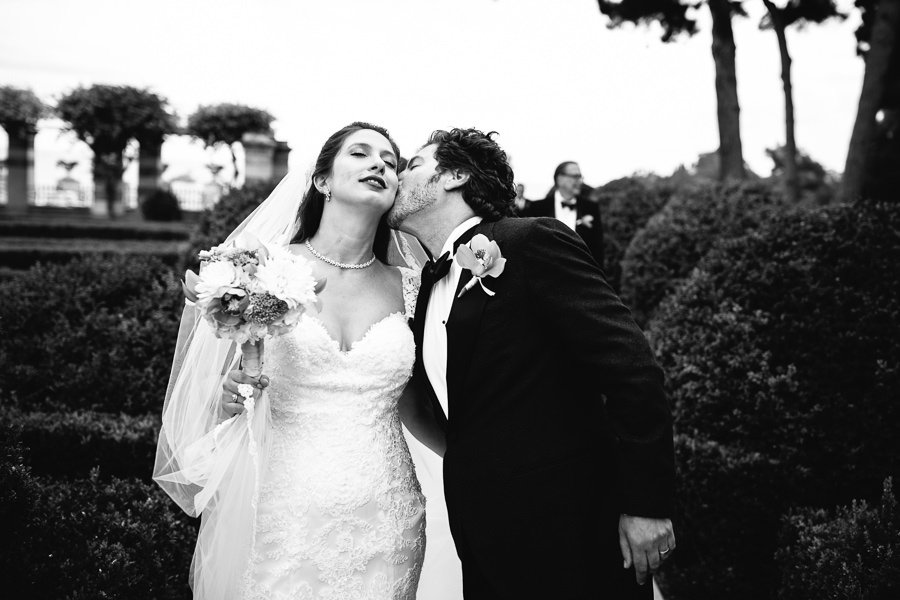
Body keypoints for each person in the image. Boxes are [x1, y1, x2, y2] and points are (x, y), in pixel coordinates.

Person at [154, 122, 459, 599]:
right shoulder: (259, 269)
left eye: (390, 161)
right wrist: (230, 392)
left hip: (387, 514)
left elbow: (415, 404)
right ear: (322, 182)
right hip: (280, 508)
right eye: (360, 153)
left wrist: (486, 465)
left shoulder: (413, 286)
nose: (379, 164)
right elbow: (212, 392)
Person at [385, 128, 676, 599]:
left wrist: (648, 504)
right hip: (483, 534)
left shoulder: (531, 242)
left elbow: (631, 369)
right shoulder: (425, 288)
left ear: (455, 176)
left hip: (570, 528)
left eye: (413, 165)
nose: (399, 175)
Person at [521, 160, 604, 264]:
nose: (580, 181)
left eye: (580, 177)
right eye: (576, 177)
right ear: (560, 179)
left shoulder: (591, 208)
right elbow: (530, 246)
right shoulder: (537, 208)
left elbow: (598, 249)